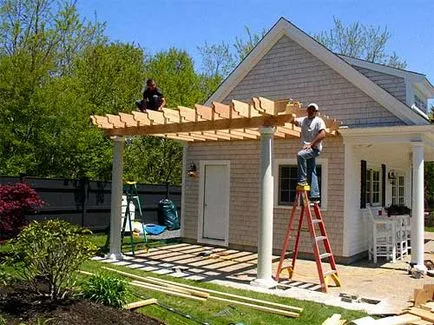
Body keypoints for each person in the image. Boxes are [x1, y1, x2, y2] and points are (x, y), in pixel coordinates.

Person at [293, 103, 326, 203]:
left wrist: (311, 144)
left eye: (313, 110)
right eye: (309, 109)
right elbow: (294, 121)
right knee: (312, 170)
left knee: (300, 155)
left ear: (316, 112)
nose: (311, 111)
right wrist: (291, 114)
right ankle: (315, 196)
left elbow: (323, 134)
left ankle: (302, 181)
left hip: (314, 149)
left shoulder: (318, 121)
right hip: (307, 149)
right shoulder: (303, 120)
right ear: (307, 110)